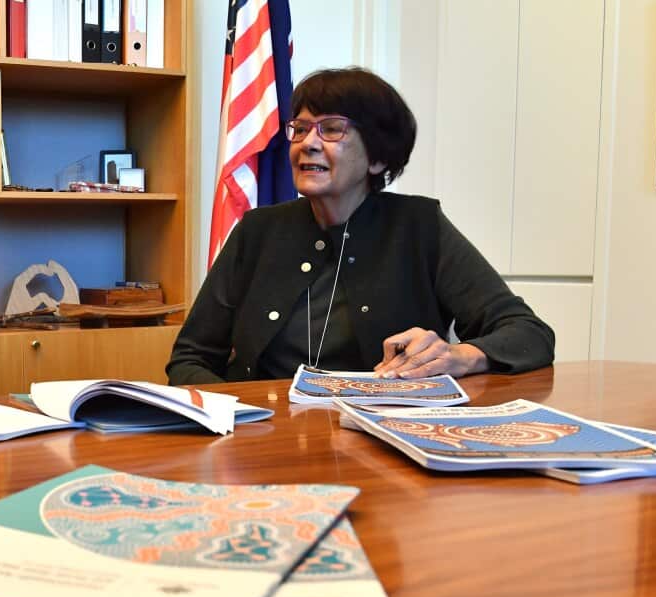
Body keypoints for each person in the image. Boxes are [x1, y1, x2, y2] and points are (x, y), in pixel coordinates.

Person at [167, 67, 554, 385]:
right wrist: (237, 419)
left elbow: (529, 334)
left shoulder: (419, 227)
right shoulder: (257, 231)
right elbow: (191, 357)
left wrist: (457, 356)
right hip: (263, 439)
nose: (308, 144)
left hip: (384, 438)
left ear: (378, 158)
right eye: (300, 129)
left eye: (331, 129)